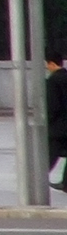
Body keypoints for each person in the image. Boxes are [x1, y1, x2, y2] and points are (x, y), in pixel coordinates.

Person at [47, 51, 67, 189]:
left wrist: (48, 120)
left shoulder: (52, 81)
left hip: (58, 126)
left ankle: (37, 179)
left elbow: (53, 105)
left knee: (50, 155)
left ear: (52, 64)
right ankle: (66, 183)